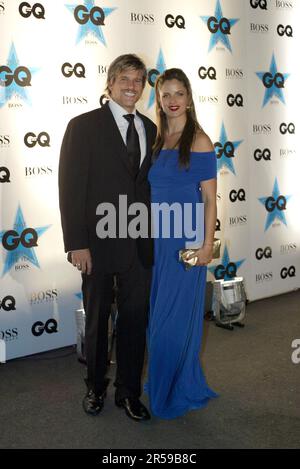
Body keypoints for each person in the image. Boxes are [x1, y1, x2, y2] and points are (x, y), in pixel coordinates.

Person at [59, 54, 156, 421]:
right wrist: (76, 243)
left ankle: (129, 392)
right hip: (96, 244)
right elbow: (70, 188)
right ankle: (95, 388)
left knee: (134, 321)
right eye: (124, 79)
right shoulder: (82, 126)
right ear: (110, 83)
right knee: (98, 320)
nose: (132, 86)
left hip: (139, 244)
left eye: (138, 80)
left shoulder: (150, 127)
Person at [146, 68, 218, 419]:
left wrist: (207, 245)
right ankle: (170, 378)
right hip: (157, 240)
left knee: (170, 319)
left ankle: (174, 385)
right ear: (158, 99)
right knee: (157, 316)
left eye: (178, 93)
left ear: (189, 97)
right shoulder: (157, 138)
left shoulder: (200, 141)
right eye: (165, 94)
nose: (172, 101)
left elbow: (210, 200)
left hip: (184, 243)